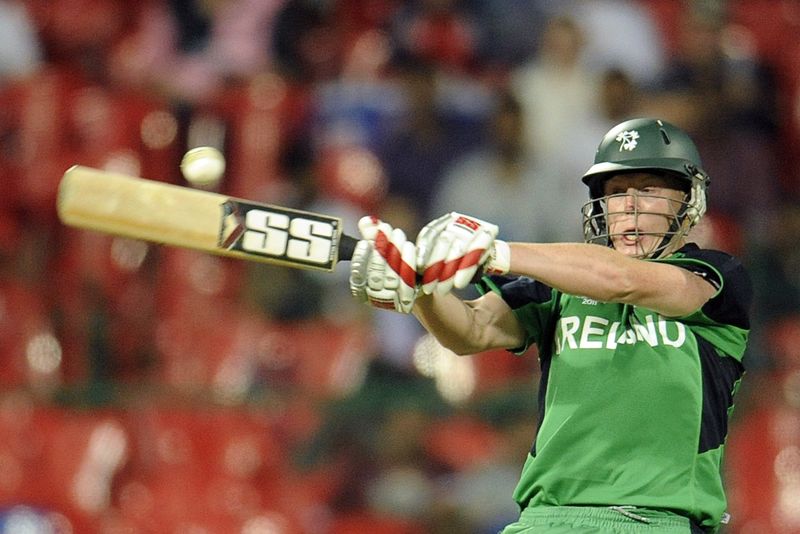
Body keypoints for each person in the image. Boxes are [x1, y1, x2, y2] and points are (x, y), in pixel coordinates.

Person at [349, 117, 752, 533]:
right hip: (544, 520)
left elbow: (622, 279)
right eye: (616, 192)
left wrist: (494, 251)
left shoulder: (714, 279)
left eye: (648, 190)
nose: (629, 205)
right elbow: (471, 330)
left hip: (656, 520)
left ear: (689, 201)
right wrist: (419, 291)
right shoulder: (561, 287)